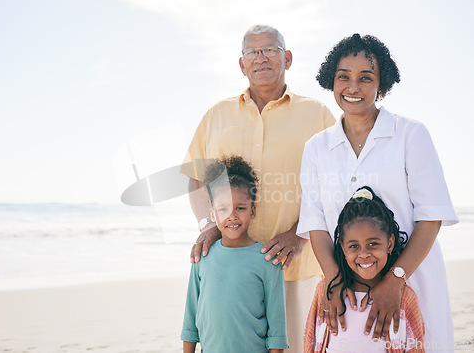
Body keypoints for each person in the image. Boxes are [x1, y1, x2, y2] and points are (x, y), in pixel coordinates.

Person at [297, 33, 458, 351]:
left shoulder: (410, 134)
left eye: (365, 78)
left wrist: (396, 280)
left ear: (381, 85)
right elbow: (316, 222)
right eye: (344, 77)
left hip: (413, 281)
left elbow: (431, 216)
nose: (353, 87)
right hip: (346, 294)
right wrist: (333, 280)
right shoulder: (316, 148)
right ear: (332, 80)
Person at [181, 24, 335, 352]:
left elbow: (331, 185)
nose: (261, 57)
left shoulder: (317, 114)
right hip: (231, 266)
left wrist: (300, 234)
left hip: (296, 266)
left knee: (292, 347)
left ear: (287, 58)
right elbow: (195, 177)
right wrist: (207, 224)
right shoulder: (216, 115)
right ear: (241, 64)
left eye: (270, 49)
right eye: (252, 51)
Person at [181, 156, 289, 352]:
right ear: (212, 213)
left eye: (240, 208)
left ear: (252, 211)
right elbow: (190, 318)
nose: (232, 215)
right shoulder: (202, 257)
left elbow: (277, 328)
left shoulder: (267, 260)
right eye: (223, 209)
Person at [304, 186, 425, 352]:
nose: (364, 254)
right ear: (343, 248)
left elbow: (415, 347)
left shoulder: (404, 297)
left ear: (389, 243)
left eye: (373, 244)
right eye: (354, 246)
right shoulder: (325, 291)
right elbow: (310, 341)